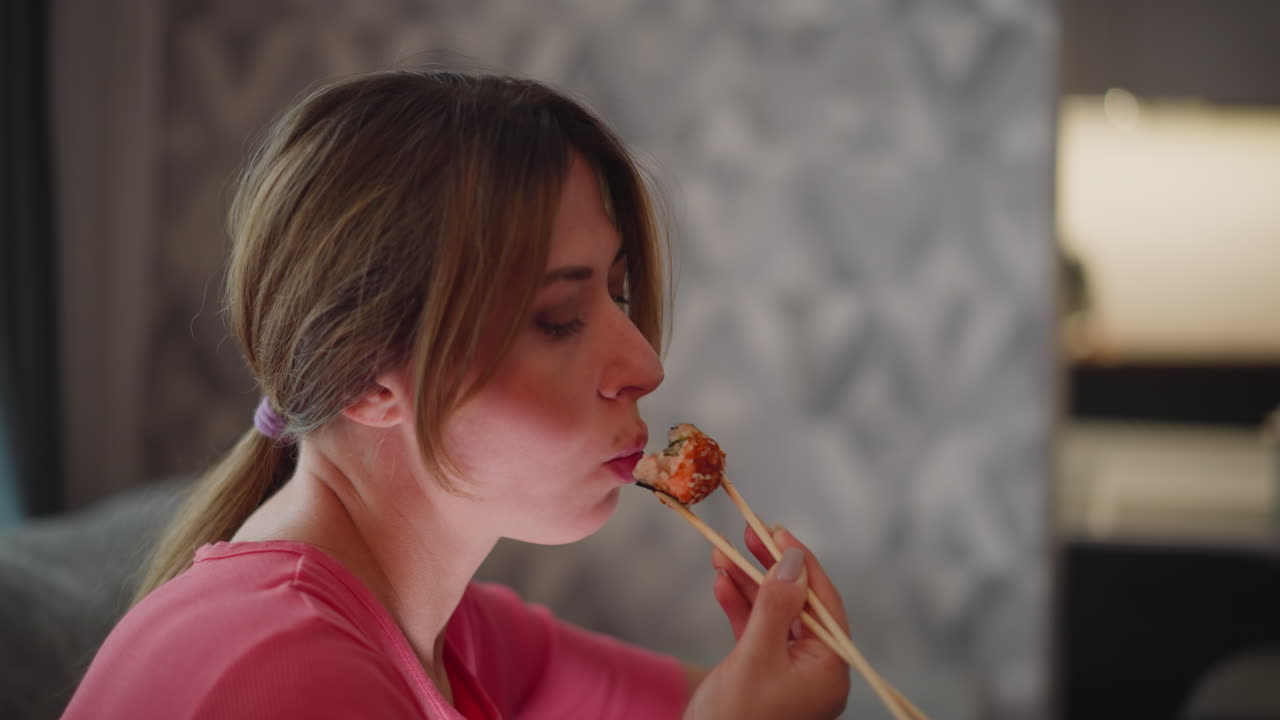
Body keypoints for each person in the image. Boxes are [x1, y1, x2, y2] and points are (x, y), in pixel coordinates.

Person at [62, 68, 851, 719]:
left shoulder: (459, 637)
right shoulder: (279, 670)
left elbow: (710, 704)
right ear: (369, 379)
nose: (645, 364)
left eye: (617, 292)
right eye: (558, 320)